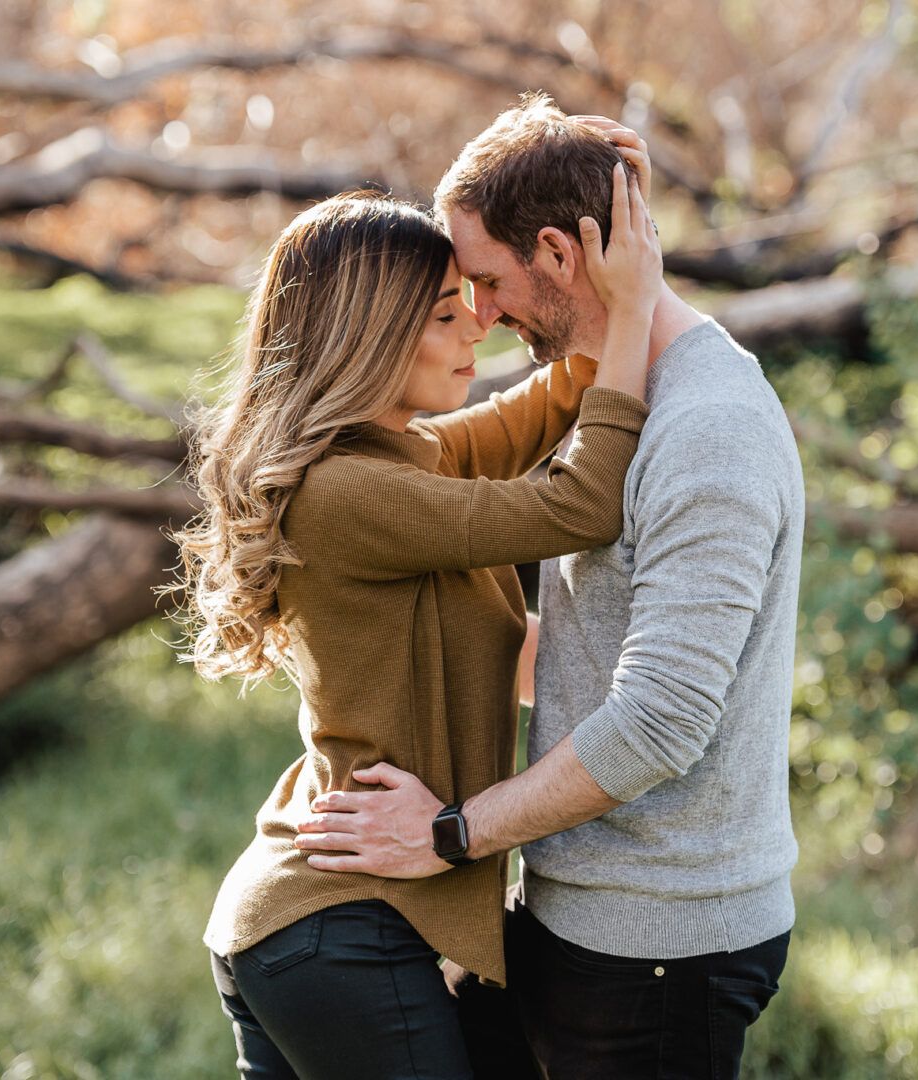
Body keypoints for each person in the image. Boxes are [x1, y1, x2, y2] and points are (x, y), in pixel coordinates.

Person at [293, 95, 806, 1080]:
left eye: (485, 281)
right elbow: (589, 647)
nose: (479, 315)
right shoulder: (618, 391)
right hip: (581, 916)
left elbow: (658, 721)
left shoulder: (706, 432)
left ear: (562, 259)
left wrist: (449, 833)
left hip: (661, 944)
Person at [171, 168, 663, 1079]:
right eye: (445, 315)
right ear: (366, 342)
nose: (478, 324)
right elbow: (580, 505)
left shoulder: (391, 455)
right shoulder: (351, 492)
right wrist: (631, 320)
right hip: (334, 932)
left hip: (312, 930)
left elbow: (544, 410)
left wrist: (606, 252)